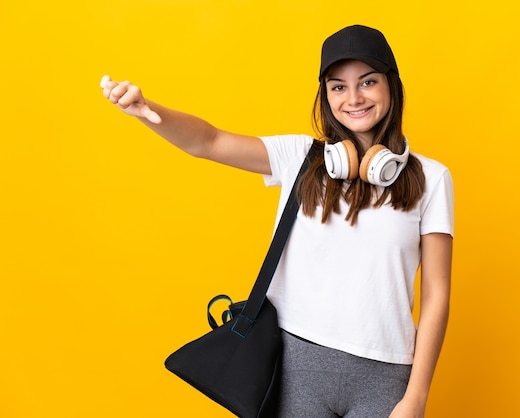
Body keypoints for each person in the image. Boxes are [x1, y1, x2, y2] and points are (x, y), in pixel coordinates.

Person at [101, 24, 453, 418]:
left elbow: (437, 294)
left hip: (386, 375)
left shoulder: (432, 178)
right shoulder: (299, 157)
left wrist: (416, 397)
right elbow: (209, 141)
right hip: (296, 366)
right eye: (338, 87)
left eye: (367, 82)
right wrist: (149, 112)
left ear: (392, 85)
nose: (353, 98)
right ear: (326, 96)